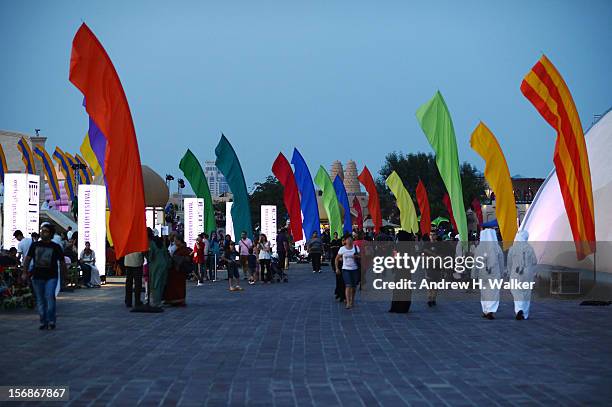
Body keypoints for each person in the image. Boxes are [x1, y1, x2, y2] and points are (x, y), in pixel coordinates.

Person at [22, 223, 66, 330]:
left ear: (50, 233)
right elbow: (27, 259)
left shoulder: (55, 247)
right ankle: (43, 321)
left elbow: (62, 262)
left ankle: (51, 320)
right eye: (42, 230)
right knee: (40, 300)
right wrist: (25, 272)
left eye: (45, 231)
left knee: (50, 297)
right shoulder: (35, 245)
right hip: (37, 276)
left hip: (52, 276)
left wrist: (64, 277)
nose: (42, 232)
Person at [472, 228, 505, 320]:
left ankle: (486, 310)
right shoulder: (497, 248)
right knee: (493, 292)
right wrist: (502, 273)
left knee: (484, 292)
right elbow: (501, 262)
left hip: (483, 274)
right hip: (494, 274)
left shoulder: (479, 248)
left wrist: (473, 274)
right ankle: (490, 310)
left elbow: (476, 262)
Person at [507, 230, 537, 320]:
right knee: (526, 292)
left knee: (516, 290)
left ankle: (519, 308)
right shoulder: (530, 248)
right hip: (527, 273)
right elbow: (535, 261)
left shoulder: (513, 248)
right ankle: (524, 313)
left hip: (516, 272)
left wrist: (509, 271)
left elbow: (509, 262)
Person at [389, 231, 413, 313]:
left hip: (399, 269)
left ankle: (396, 306)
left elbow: (394, 257)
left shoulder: (397, 246)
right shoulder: (410, 246)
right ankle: (403, 307)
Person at [146, 228, 171, 307]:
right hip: (164, 263)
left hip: (156, 265)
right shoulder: (159, 242)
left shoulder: (151, 243)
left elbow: (150, 257)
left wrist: (145, 254)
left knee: (155, 283)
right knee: (161, 283)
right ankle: (159, 300)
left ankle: (156, 302)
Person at [164, 237, 191, 306]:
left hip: (179, 270)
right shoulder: (178, 248)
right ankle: (175, 300)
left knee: (179, 286)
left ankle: (179, 300)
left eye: (176, 241)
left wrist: (175, 258)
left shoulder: (183, 249)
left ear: (180, 241)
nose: (175, 243)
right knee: (175, 286)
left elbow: (186, 258)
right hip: (175, 271)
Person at [335, 234, 360, 309]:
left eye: (351, 239)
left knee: (354, 287)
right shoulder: (342, 249)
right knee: (348, 285)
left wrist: (356, 256)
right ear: (345, 241)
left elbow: (361, 256)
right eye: (348, 239)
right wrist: (337, 268)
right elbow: (336, 259)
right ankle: (348, 302)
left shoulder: (356, 248)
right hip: (346, 269)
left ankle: (352, 300)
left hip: (355, 269)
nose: (349, 240)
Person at [329, 232, 344, 302]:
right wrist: (336, 268)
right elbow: (336, 259)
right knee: (339, 281)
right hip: (339, 265)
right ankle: (339, 294)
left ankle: (344, 296)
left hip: (346, 268)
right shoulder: (333, 241)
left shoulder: (345, 247)